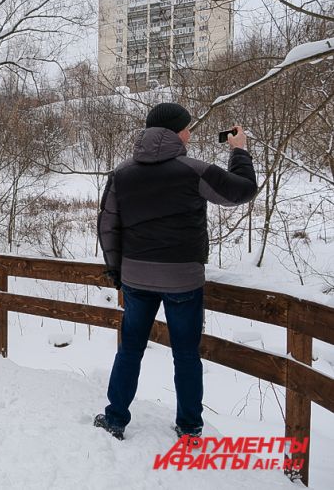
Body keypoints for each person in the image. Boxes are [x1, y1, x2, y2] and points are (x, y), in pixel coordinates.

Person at [94, 103, 258, 440]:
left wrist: (116, 270)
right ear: (172, 131)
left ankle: (114, 419)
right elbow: (242, 190)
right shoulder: (194, 170)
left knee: (129, 349)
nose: (189, 134)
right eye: (186, 128)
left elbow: (108, 227)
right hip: (183, 279)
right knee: (185, 355)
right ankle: (189, 427)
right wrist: (239, 151)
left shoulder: (122, 174)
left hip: (136, 278)